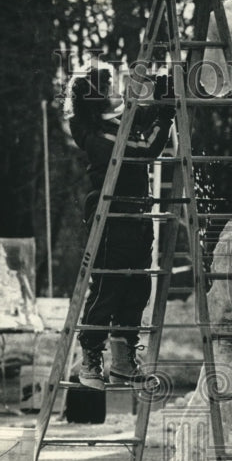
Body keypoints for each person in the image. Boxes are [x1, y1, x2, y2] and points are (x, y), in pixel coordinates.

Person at [67, 66, 175, 390]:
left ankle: (123, 357)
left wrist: (161, 99)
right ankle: (90, 356)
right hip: (113, 216)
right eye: (110, 87)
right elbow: (143, 151)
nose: (118, 90)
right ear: (98, 98)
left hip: (136, 215)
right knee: (108, 286)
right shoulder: (98, 133)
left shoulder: (115, 124)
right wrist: (165, 113)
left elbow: (139, 120)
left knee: (137, 286)